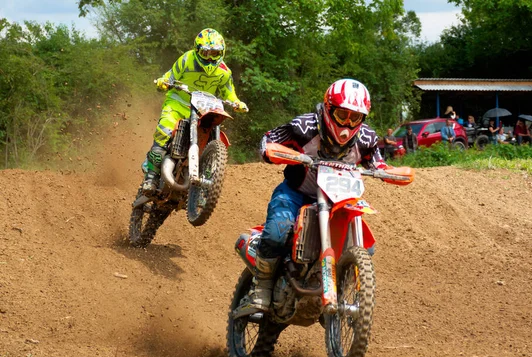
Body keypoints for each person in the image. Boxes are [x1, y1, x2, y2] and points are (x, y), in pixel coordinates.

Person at [237, 78, 386, 317]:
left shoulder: (367, 139)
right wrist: (276, 152)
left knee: (367, 248)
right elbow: (267, 140)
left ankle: (338, 295)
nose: (347, 123)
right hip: (297, 193)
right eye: (342, 114)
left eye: (355, 118)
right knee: (277, 231)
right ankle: (261, 288)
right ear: (328, 109)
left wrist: (384, 170)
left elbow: (378, 161)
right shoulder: (304, 127)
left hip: (339, 202)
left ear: (363, 119)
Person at [141, 28, 249, 196]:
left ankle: (205, 180)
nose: (210, 57)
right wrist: (163, 82)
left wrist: (237, 102)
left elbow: (229, 92)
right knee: (164, 131)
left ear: (222, 52)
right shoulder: (187, 59)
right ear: (197, 50)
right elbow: (170, 75)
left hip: (203, 109)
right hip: (178, 103)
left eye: (215, 53)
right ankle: (151, 177)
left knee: (212, 131)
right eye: (205, 53)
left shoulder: (224, 72)